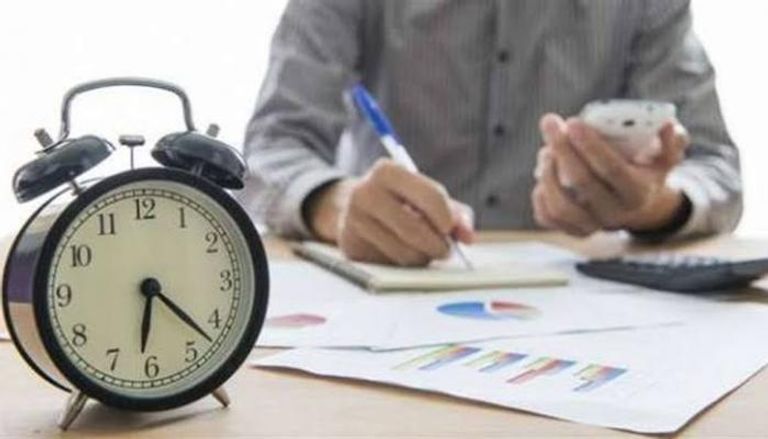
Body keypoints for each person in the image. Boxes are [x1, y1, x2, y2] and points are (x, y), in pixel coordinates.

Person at [236, 0, 741, 266]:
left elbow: (717, 171)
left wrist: (649, 206)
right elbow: (272, 147)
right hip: (387, 283)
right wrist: (338, 204)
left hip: (577, 310)